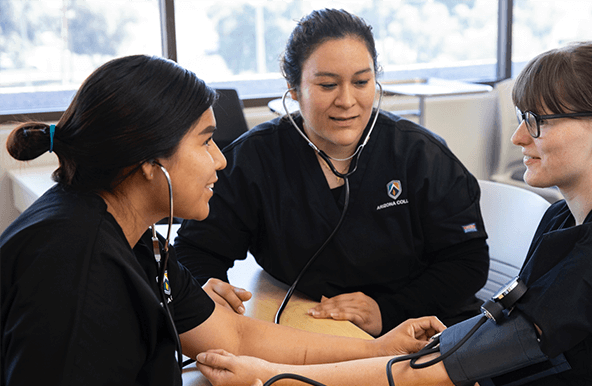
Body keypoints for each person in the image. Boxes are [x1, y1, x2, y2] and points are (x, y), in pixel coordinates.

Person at [194, 40, 592, 386]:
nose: (517, 138)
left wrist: (270, 375)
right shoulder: (567, 219)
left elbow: (437, 371)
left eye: (537, 121)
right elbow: (514, 328)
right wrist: (452, 347)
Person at [0, 54, 446, 386]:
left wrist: (377, 350)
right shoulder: (76, 261)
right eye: (206, 140)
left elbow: (235, 335)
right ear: (150, 162)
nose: (221, 158)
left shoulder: (130, 236)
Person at [174, 8, 489, 336]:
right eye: (327, 85)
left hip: (415, 327)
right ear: (293, 88)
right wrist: (206, 293)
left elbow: (468, 262)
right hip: (307, 322)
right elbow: (197, 249)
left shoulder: (421, 156)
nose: (347, 100)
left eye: (362, 82)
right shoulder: (254, 160)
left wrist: (387, 311)